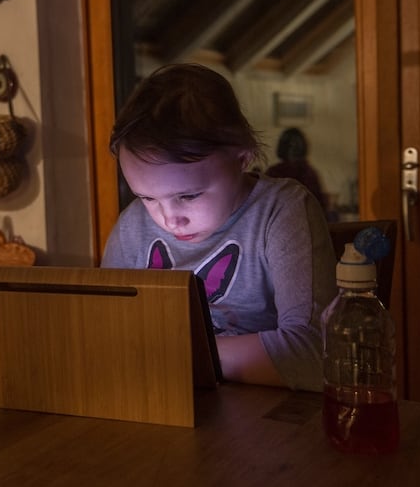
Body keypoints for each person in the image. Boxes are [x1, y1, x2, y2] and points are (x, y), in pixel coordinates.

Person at [101, 63, 336, 392]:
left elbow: (313, 354)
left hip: (263, 412)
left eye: (189, 195)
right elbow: (104, 335)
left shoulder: (281, 210)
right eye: (147, 198)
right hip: (162, 401)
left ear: (243, 157)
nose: (169, 218)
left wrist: (170, 354)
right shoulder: (133, 226)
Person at [265, 127, 330, 216]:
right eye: (290, 146)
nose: (293, 150)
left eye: (296, 146)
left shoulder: (309, 174)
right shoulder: (274, 173)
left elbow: (320, 207)